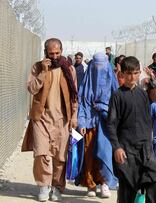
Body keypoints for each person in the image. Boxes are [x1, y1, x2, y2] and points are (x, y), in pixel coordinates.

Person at [21, 38, 78, 202]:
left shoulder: (69, 69)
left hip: (62, 119)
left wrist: (74, 116)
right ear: (45, 52)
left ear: (62, 51)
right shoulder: (37, 67)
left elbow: (74, 95)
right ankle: (43, 186)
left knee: (60, 157)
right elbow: (32, 89)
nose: (54, 57)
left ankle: (57, 187)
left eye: (57, 53)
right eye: (51, 53)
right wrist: (43, 72)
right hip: (41, 118)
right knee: (41, 154)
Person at [107, 56, 156, 203]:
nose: (132, 77)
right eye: (129, 73)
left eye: (136, 73)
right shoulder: (117, 96)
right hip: (126, 149)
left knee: (154, 181)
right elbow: (111, 124)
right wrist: (116, 147)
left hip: (145, 148)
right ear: (122, 74)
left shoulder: (143, 93)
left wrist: (152, 80)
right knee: (127, 188)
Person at [76, 52, 119, 198]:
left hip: (107, 123)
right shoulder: (86, 81)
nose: (99, 71)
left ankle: (105, 183)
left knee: (105, 153)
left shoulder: (113, 83)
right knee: (89, 154)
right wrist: (81, 121)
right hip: (88, 122)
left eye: (102, 67)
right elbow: (81, 101)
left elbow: (117, 104)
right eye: (96, 67)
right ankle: (90, 184)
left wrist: (104, 107)